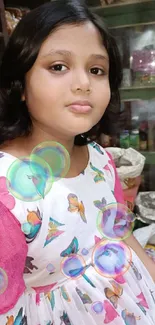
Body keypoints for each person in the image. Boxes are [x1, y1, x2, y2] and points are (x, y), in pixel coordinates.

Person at [0, 1, 155, 324]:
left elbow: (118, 231)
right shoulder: (6, 194)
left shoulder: (99, 158)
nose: (83, 82)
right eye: (58, 66)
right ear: (21, 84)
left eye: (97, 70)